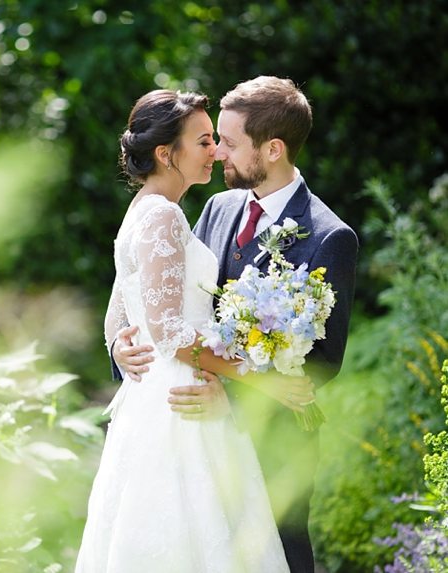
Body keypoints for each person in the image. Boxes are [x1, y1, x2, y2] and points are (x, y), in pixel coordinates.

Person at [112, 76, 358, 573]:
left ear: (272, 149)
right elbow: (166, 296)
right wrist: (122, 344)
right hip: (190, 426)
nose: (218, 152)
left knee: (278, 554)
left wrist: (232, 396)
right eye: (211, 140)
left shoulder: (329, 236)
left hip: (272, 435)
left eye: (227, 142)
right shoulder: (217, 207)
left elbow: (322, 362)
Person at [75, 89, 297, 572]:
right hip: (181, 397)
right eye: (203, 142)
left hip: (158, 391)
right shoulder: (163, 215)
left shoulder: (143, 208)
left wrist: (119, 344)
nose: (215, 151)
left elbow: (117, 315)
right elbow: (171, 333)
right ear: (165, 153)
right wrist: (257, 376)